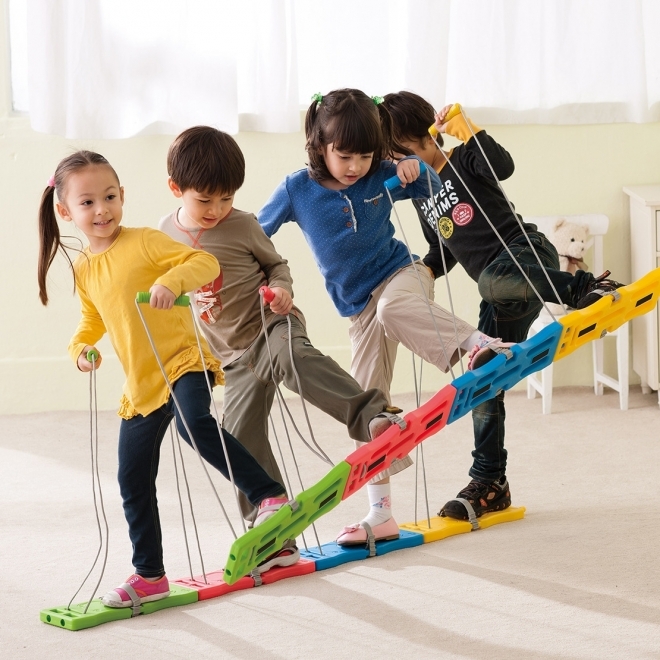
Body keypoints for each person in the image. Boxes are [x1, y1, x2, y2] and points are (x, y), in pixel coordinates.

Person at [258, 88, 512, 546]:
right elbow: (256, 234)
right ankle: (381, 514)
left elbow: (435, 188)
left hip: (402, 277)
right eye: (345, 156)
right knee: (367, 410)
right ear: (319, 145)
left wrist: (416, 169)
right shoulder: (297, 188)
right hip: (358, 310)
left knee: (394, 308)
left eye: (365, 156)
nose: (355, 166)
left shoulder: (381, 173)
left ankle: (479, 345)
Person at [37, 151, 289, 609]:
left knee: (195, 425)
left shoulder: (146, 241)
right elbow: (92, 319)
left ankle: (268, 495)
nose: (102, 210)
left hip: (181, 361)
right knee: (132, 477)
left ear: (122, 195)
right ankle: (149, 574)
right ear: (65, 211)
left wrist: (172, 282)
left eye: (109, 197)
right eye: (88, 202)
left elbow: (204, 263)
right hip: (142, 383)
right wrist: (81, 349)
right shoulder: (85, 267)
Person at [159, 125, 403, 552]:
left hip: (271, 326)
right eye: (205, 200)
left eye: (226, 199)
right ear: (176, 189)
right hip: (231, 357)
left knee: (295, 359)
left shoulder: (242, 225)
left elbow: (277, 265)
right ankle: (273, 529)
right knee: (237, 437)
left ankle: (371, 416)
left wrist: (281, 289)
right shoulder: (165, 235)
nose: (217, 209)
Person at [382, 90, 624, 521]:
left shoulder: (463, 159)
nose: (397, 166)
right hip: (499, 289)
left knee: (492, 280)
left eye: (398, 154)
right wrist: (420, 274)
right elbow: (444, 250)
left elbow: (503, 165)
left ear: (425, 138)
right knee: (483, 373)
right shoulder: (420, 195)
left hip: (526, 254)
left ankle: (585, 285)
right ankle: (490, 481)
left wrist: (469, 130)